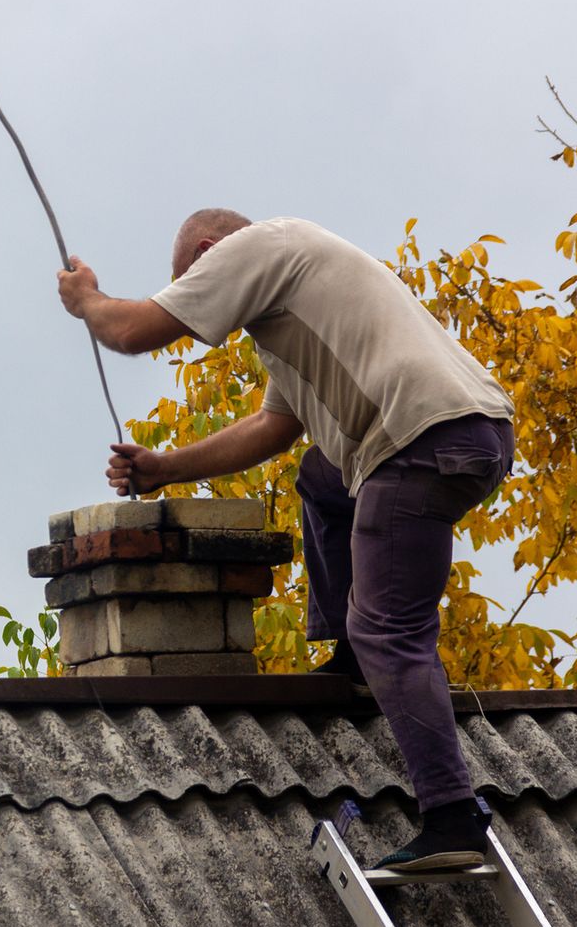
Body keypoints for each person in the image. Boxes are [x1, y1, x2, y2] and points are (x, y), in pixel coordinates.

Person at [56, 209, 515, 872]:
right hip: (462, 431)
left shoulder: (258, 248)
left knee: (391, 628)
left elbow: (132, 331)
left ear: (212, 252)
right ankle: (357, 659)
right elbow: (276, 427)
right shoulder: (295, 301)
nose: (200, 299)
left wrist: (87, 300)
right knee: (322, 477)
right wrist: (164, 468)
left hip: (419, 442)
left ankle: (452, 815)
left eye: (193, 281)